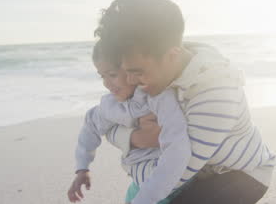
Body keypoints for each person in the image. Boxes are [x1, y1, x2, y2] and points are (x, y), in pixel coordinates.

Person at [96, 0, 276, 204]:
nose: (130, 81)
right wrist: (135, 138)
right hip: (196, 171)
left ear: (172, 55)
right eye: (124, 70)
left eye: (136, 72)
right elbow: (106, 120)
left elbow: (172, 175)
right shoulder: (148, 62)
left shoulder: (216, 91)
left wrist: (131, 162)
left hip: (238, 174)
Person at [67, 40, 192, 204]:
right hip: (139, 181)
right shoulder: (110, 105)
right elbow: (90, 126)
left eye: (112, 75)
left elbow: (177, 146)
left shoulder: (158, 96)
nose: (106, 83)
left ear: (131, 68)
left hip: (169, 180)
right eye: (102, 76)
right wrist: (82, 168)